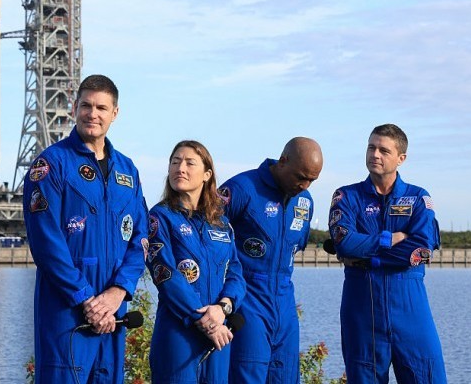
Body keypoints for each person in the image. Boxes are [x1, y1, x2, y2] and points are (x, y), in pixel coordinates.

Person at [22, 74, 148, 384]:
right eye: (86, 106)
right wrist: (86, 299)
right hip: (67, 311)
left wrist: (118, 293)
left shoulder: (127, 171)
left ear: (114, 113)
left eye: (101, 108)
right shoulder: (51, 165)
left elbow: (141, 238)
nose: (93, 114)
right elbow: (46, 243)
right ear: (74, 108)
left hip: (114, 311)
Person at [328, 124, 446, 383]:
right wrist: (390, 239)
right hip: (362, 307)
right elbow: (344, 243)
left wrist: (369, 257)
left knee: (427, 376)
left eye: (384, 150)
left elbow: (421, 250)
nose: (375, 154)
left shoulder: (418, 198)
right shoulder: (347, 196)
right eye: (371, 147)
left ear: (401, 158)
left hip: (410, 306)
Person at [220, 137, 323, 384]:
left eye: (312, 180)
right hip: (247, 297)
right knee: (247, 375)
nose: (305, 185)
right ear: (283, 160)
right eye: (301, 177)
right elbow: (205, 237)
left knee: (286, 376)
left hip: (284, 301)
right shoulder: (241, 188)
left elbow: (296, 246)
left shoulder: (305, 201)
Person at [146, 140, 245, 384]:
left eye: (190, 163)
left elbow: (235, 272)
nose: (180, 168)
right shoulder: (160, 217)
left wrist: (223, 307)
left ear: (207, 174)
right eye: (175, 162)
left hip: (218, 333)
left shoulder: (220, 223)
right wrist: (204, 321)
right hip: (180, 333)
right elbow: (165, 274)